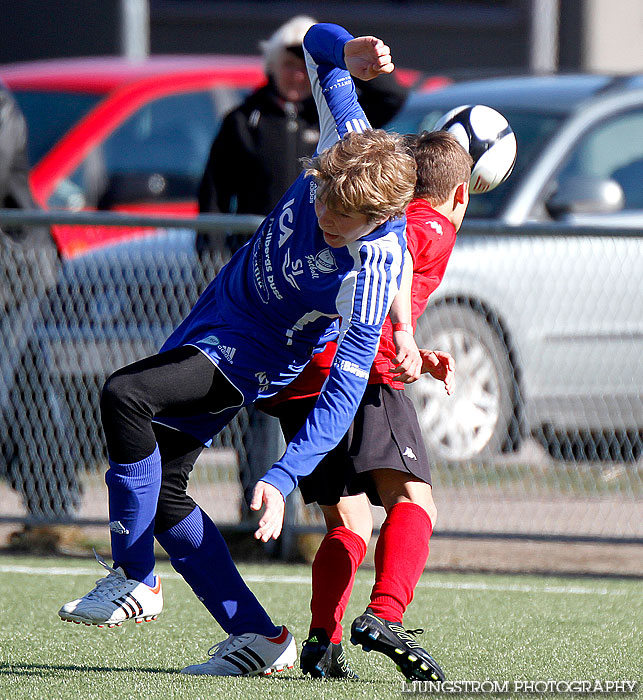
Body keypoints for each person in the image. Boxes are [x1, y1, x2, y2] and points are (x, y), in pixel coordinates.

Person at [58, 22, 417, 678]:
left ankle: (136, 578)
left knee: (125, 395)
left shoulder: (375, 267)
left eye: (339, 218)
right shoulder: (348, 139)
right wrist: (349, 52)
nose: (322, 215)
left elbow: (341, 392)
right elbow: (312, 41)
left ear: (376, 221)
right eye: (320, 196)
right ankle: (257, 636)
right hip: (216, 313)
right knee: (163, 488)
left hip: (250, 353)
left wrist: (282, 476)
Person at [258, 130, 473, 682]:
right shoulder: (429, 222)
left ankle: (321, 642)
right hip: (357, 374)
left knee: (347, 520)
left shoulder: (367, 212)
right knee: (414, 501)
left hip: (303, 375)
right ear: (461, 195)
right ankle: (384, 616)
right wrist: (402, 336)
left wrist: (417, 352)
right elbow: (394, 260)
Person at [198, 15, 409, 218]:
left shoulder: (332, 115)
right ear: (273, 66)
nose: (298, 76)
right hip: (263, 242)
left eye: (304, 68)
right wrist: (211, 249)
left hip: (321, 237)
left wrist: (345, 58)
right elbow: (216, 190)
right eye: (289, 65)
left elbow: (392, 97)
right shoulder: (245, 119)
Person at [0, 82, 81, 524]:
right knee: (29, 389)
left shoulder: (2, 106)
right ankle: (54, 506)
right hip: (11, 272)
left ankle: (56, 508)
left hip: (16, 271)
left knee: (14, 386)